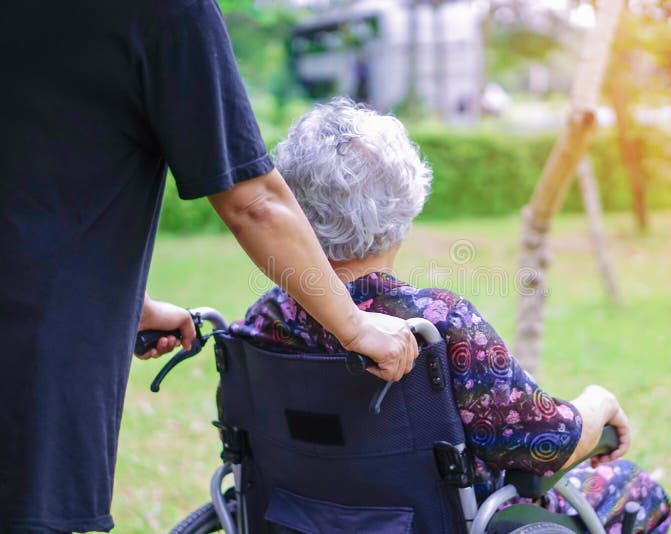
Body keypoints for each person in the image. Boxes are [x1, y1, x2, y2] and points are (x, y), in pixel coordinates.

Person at [0, 3, 416, 533]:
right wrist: (354, 325)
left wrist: (128, 303)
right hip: (29, 363)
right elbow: (252, 202)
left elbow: (36, 166)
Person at [232, 98, 671, 533]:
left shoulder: (265, 319)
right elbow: (545, 444)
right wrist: (599, 402)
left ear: (292, 208)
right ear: (405, 200)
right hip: (452, 519)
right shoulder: (437, 325)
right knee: (636, 489)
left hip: (301, 516)